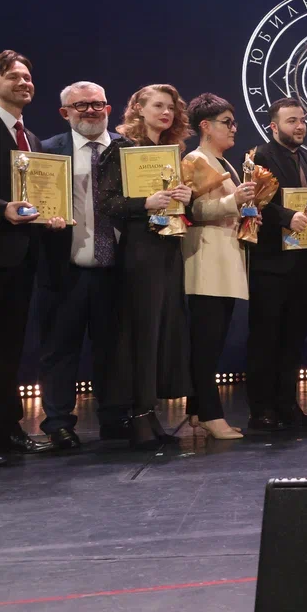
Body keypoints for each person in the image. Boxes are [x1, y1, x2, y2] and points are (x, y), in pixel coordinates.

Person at [98, 84, 194, 449]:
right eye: (158, 106)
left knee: (163, 330)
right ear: (138, 108)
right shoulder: (121, 148)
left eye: (171, 107)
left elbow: (174, 205)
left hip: (168, 246)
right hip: (140, 251)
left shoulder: (170, 152)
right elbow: (106, 202)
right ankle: (137, 414)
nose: (166, 112)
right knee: (141, 332)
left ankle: (149, 411)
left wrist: (184, 198)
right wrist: (145, 203)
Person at [34, 81, 118, 450]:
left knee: (113, 350)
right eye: (80, 105)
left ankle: (114, 418)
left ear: (108, 109)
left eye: (97, 104)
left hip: (116, 270)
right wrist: (42, 218)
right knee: (59, 351)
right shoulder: (46, 151)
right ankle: (58, 424)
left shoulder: (129, 150)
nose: (90, 111)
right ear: (64, 112)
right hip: (64, 269)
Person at [244, 98, 307, 431]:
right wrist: (286, 217)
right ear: (274, 126)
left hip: (305, 261)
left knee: (294, 338)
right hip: (271, 263)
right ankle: (261, 408)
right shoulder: (259, 157)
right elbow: (252, 202)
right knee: (266, 337)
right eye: (292, 121)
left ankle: (287, 403)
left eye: (302, 120)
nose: (300, 126)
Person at [0, 50, 63, 463]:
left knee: (9, 349)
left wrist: (53, 217)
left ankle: (8, 429)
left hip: (21, 260)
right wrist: (1, 209)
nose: (24, 83)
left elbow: (35, 200)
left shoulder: (32, 141)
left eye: (28, 77)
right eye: (14, 76)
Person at [181, 93, 256, 439]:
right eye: (226, 122)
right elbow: (194, 211)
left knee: (212, 341)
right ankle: (212, 414)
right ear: (205, 126)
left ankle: (197, 410)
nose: (233, 128)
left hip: (224, 258)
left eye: (233, 122)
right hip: (206, 260)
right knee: (206, 345)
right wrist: (234, 200)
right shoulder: (195, 159)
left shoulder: (223, 162)